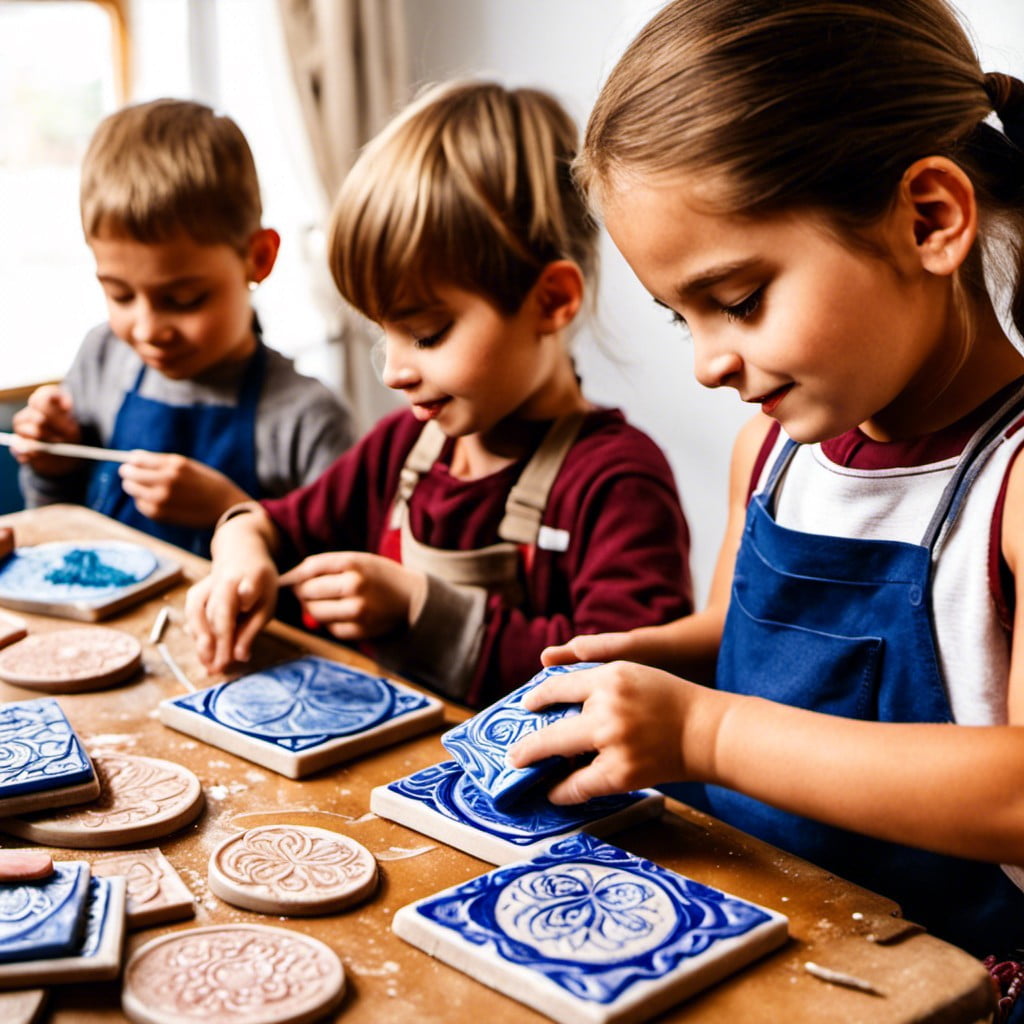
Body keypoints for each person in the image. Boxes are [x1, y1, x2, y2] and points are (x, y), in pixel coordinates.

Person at [508, 0, 1024, 988]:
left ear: (930, 220)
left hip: (941, 986)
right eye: (679, 319)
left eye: (738, 300)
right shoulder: (773, 453)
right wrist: (653, 658)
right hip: (749, 937)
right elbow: (743, 635)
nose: (707, 361)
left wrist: (707, 731)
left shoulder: (1009, 485)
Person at [185, 80, 693, 708]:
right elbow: (271, 526)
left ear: (551, 301)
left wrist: (419, 607)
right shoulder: (403, 449)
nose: (393, 370)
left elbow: (626, 676)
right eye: (383, 333)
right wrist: (241, 555)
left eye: (426, 334)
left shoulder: (615, 480)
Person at [12, 98, 354, 557]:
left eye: (184, 300)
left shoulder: (308, 421)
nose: (149, 328)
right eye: (120, 295)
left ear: (258, 259)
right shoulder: (101, 358)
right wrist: (54, 466)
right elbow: (58, 527)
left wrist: (236, 515)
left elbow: (342, 591)